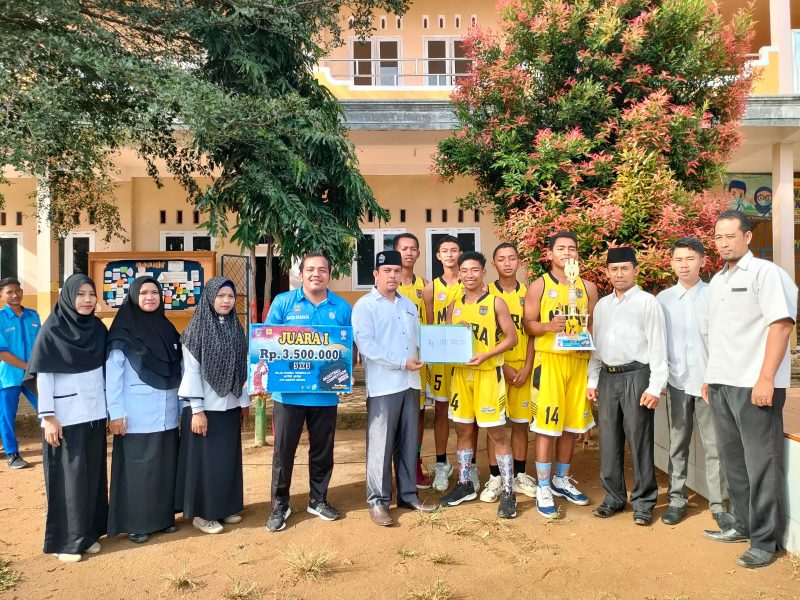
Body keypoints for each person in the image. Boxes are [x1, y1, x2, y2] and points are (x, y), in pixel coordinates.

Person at [702, 210, 797, 569]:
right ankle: (742, 524)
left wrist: (766, 378)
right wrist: (711, 375)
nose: (723, 243)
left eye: (730, 236)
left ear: (747, 238)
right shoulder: (719, 280)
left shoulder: (767, 274)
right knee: (735, 463)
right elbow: (721, 333)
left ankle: (765, 541)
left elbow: (782, 325)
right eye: (718, 238)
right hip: (723, 383)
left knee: (762, 465)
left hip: (754, 385)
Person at [265, 252, 352, 532]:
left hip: (325, 394)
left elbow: (346, 348)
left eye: (322, 269)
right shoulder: (283, 302)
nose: (316, 274)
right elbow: (266, 343)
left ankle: (318, 499)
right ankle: (280, 506)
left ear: (330, 274)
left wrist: (344, 378)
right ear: (301, 274)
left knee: (322, 451)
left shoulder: (340, 307)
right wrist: (262, 379)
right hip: (287, 395)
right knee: (283, 452)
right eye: (310, 269)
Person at [353, 250, 437, 526]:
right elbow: (367, 346)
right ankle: (378, 500)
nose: (392, 275)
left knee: (408, 441)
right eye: (386, 270)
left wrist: (449, 338)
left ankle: (408, 495)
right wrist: (402, 362)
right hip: (383, 386)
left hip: (411, 383)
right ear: (375, 274)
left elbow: (421, 338)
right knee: (381, 444)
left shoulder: (409, 305)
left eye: (396, 270)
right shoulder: (365, 306)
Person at [28, 274, 108, 562]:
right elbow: (44, 377)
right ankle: (67, 541)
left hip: (96, 415)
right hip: (64, 418)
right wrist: (47, 417)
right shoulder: (52, 330)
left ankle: (88, 535)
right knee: (69, 480)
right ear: (68, 296)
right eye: (81, 294)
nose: (87, 300)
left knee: (92, 477)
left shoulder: (98, 329)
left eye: (91, 294)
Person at [586, 247, 667, 526]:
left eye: (625, 268)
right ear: (607, 272)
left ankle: (644, 502)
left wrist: (655, 386)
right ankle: (614, 498)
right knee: (608, 440)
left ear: (635, 270)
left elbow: (658, 346)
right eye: (614, 269)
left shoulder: (647, 303)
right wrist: (592, 380)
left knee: (639, 439)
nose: (619, 274)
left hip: (637, 376)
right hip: (608, 377)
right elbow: (597, 347)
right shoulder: (602, 306)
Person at [656, 237, 734, 529]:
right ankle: (676, 500)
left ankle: (719, 504)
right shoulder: (662, 299)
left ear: (703, 261)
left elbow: (723, 340)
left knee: (715, 447)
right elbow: (657, 343)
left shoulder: (716, 295)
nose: (684, 265)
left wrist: (714, 377)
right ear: (672, 263)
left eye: (690, 259)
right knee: (677, 445)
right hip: (676, 384)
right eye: (678, 259)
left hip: (708, 385)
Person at [523, 232, 598, 518]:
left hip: (577, 363)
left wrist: (587, 345)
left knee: (570, 426)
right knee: (546, 425)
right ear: (550, 254)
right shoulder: (539, 285)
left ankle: (561, 478)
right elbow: (528, 326)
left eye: (572, 248)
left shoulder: (588, 287)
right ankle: (542, 485)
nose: (567, 252)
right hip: (550, 361)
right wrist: (548, 326)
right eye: (561, 248)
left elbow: (593, 326)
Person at [440, 251, 518, 519]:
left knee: (497, 433)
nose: (469, 275)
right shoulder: (454, 305)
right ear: (459, 273)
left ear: (484, 272)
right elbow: (449, 342)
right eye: (464, 270)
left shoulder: (496, 302)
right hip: (462, 376)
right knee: (462, 431)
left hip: (487, 374)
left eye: (475, 270)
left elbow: (512, 338)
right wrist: (454, 331)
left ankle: (509, 491)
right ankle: (465, 483)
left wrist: (487, 354)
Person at [106, 276, 183, 544]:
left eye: (154, 292)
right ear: (133, 296)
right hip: (135, 415)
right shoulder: (123, 331)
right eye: (144, 292)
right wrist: (115, 413)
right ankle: (137, 523)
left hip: (167, 413)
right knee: (138, 470)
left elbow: (178, 370)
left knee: (164, 467)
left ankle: (163, 519)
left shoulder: (167, 327)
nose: (150, 297)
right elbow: (113, 376)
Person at [176, 277, 250, 535]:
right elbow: (191, 373)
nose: (226, 301)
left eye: (230, 296)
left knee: (226, 460)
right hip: (205, 408)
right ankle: (202, 514)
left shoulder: (235, 327)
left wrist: (243, 403)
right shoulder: (196, 330)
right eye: (220, 296)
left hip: (229, 406)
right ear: (209, 297)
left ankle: (224, 507)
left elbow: (242, 369)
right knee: (205, 463)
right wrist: (197, 411)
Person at [480, 242, 537, 503]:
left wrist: (527, 366)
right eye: (501, 259)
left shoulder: (530, 293)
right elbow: (485, 339)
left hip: (524, 368)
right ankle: (495, 477)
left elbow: (533, 334)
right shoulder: (485, 293)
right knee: (496, 426)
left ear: (519, 261)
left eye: (512, 258)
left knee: (521, 424)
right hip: (497, 368)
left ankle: (520, 474)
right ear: (493, 265)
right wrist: (504, 365)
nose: (507, 263)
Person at [423, 236, 479, 493]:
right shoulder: (431, 288)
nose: (449, 255)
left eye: (454, 250)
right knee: (442, 411)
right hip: (444, 359)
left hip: (468, 358)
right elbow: (433, 325)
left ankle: (472, 465)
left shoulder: (473, 282)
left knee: (471, 414)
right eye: (444, 251)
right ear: (438, 256)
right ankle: (442, 462)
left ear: (460, 254)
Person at [394, 233, 432, 490]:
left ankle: (414, 462)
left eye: (413, 249)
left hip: (417, 362)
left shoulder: (426, 286)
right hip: (390, 363)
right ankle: (390, 466)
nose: (409, 252)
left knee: (416, 415)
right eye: (403, 248)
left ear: (419, 254)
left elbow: (429, 326)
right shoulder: (388, 284)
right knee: (390, 415)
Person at [0, 277, 40, 469]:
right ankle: (12, 453)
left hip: (32, 375)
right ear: (1, 295)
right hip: (9, 376)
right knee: (7, 415)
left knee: (45, 406)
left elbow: (41, 344)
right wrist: (28, 366)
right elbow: (3, 353)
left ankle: (54, 444)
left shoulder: (33, 316)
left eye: (18, 290)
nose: (15, 294)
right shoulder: (0, 318)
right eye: (9, 292)